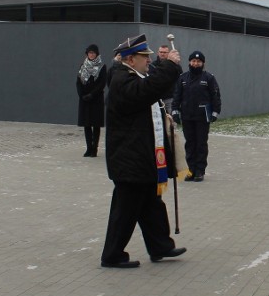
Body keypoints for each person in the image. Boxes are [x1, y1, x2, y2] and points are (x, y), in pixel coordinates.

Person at [101, 34, 187, 269]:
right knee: (125, 210)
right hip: (129, 159)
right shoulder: (121, 80)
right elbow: (146, 91)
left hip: (141, 157)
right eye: (144, 57)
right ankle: (112, 254)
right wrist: (169, 65)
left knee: (151, 204)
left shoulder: (134, 76)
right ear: (130, 59)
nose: (148, 61)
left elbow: (151, 90)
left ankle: (160, 245)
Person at [172, 51, 222, 182]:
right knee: (190, 143)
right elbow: (177, 95)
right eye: (193, 61)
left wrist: (215, 112)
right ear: (189, 62)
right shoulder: (183, 78)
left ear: (203, 63)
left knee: (200, 144)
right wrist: (175, 110)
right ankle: (191, 170)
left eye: (198, 62)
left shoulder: (208, 78)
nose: (195, 63)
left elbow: (215, 95)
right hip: (187, 116)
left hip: (202, 116)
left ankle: (200, 171)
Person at [76, 44, 107, 157]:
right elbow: (78, 82)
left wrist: (92, 94)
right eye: (89, 53)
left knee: (96, 125)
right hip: (84, 100)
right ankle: (88, 148)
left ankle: (94, 149)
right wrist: (81, 95)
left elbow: (102, 83)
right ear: (87, 54)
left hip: (96, 99)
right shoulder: (82, 66)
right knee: (86, 124)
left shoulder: (102, 66)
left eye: (93, 53)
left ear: (97, 54)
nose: (91, 55)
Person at [151, 43, 182, 113]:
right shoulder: (152, 66)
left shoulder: (176, 66)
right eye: (161, 52)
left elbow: (180, 79)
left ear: (168, 53)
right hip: (157, 98)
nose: (162, 54)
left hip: (170, 98)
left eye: (165, 52)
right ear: (158, 53)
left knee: (172, 120)